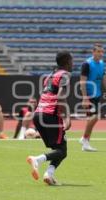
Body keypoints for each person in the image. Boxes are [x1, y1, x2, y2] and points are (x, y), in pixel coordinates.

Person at [26, 51, 72, 186]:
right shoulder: (65, 75)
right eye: (71, 60)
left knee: (60, 150)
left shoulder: (50, 76)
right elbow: (60, 97)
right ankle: (37, 160)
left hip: (38, 115)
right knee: (62, 150)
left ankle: (49, 174)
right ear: (67, 61)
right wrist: (67, 117)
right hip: (50, 115)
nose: (73, 63)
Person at [79, 43, 106, 152]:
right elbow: (82, 81)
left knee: (93, 119)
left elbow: (104, 79)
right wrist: (85, 98)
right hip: (89, 96)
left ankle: (85, 140)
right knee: (94, 117)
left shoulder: (102, 64)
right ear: (93, 52)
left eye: (102, 52)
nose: (100, 54)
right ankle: (85, 141)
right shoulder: (87, 64)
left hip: (97, 95)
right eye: (98, 51)